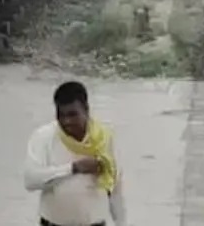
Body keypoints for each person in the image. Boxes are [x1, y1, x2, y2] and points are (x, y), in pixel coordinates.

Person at [24, 81, 127, 226]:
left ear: (86, 109)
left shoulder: (104, 139)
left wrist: (121, 222)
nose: (66, 121)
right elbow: (30, 181)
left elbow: (115, 188)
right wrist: (73, 168)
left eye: (73, 114)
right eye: (61, 115)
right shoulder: (44, 136)